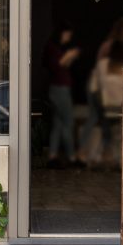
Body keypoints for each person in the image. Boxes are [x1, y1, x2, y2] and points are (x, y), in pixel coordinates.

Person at [79, 17, 123, 163]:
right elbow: (101, 69)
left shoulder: (122, 48)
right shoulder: (111, 45)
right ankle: (85, 151)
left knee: (104, 122)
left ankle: (101, 153)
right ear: (122, 28)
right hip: (99, 88)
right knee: (95, 118)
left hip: (105, 88)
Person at [45, 21, 82, 168]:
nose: (69, 37)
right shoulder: (53, 48)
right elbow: (57, 66)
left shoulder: (55, 48)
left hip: (58, 88)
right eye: (67, 34)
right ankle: (71, 157)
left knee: (58, 123)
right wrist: (69, 55)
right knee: (67, 122)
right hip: (59, 89)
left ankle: (53, 156)